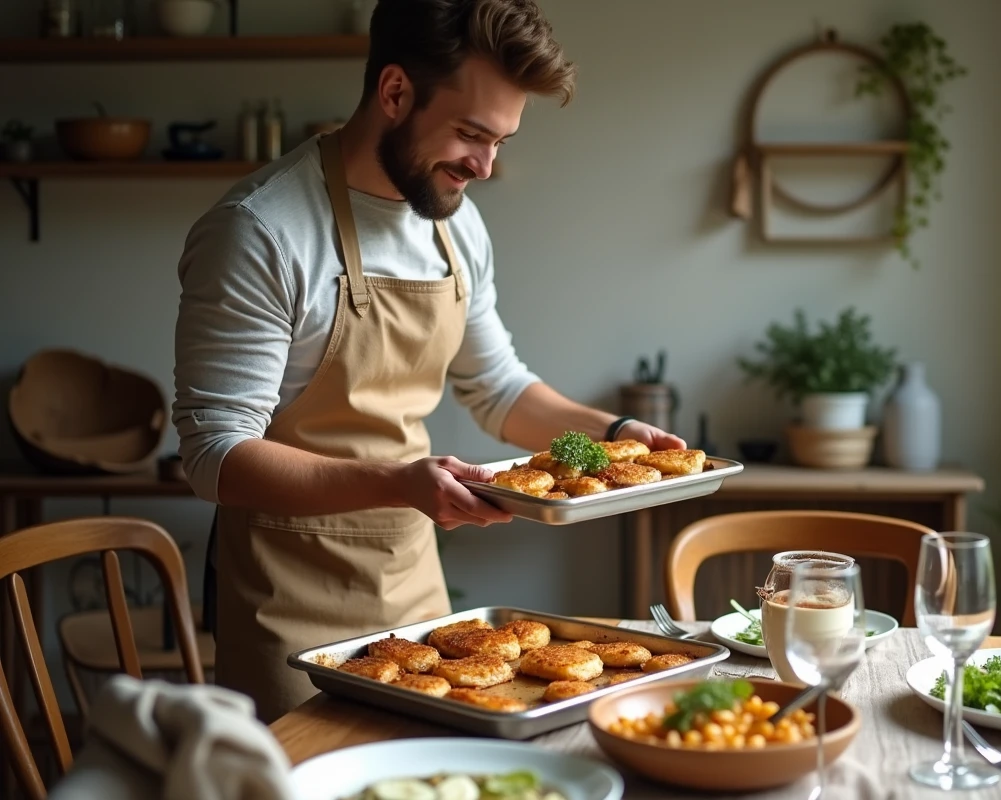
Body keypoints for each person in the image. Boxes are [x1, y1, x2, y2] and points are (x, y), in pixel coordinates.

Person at [171, 0, 684, 724]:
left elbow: (498, 389)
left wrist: (616, 432)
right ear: (394, 93)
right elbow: (213, 457)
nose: (484, 167)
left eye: (502, 141)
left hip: (415, 596)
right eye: (472, 135)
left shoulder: (454, 223)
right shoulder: (261, 231)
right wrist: (400, 482)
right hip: (285, 604)